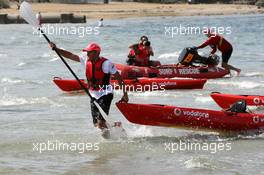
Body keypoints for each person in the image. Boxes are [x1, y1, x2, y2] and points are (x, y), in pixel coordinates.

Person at [49, 42, 128, 136]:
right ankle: (116, 125)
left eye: (89, 52)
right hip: (93, 94)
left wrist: (125, 94)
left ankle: (109, 144)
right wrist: (57, 49)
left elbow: (119, 78)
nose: (87, 54)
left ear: (96, 53)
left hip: (106, 93)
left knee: (100, 123)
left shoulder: (107, 63)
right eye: (87, 52)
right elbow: (70, 55)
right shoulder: (85, 60)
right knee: (96, 124)